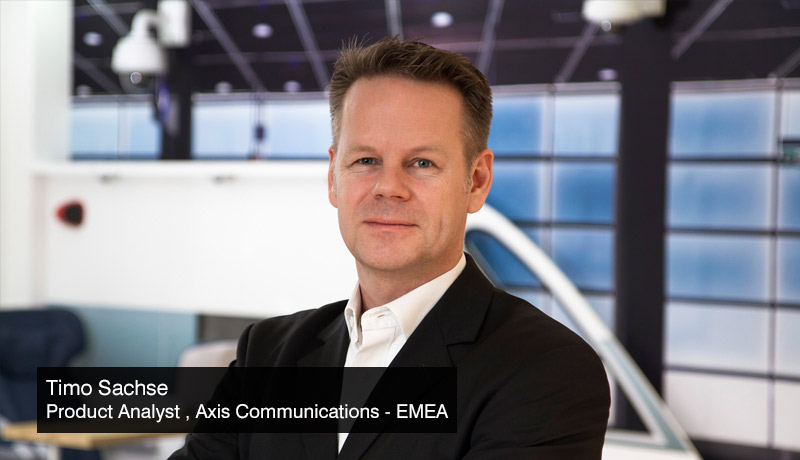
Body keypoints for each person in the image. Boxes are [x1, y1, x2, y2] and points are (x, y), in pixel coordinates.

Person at [171, 37, 610, 460]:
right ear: (333, 177)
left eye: (422, 163)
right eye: (366, 160)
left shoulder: (547, 369)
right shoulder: (267, 353)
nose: (388, 187)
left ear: (476, 181)